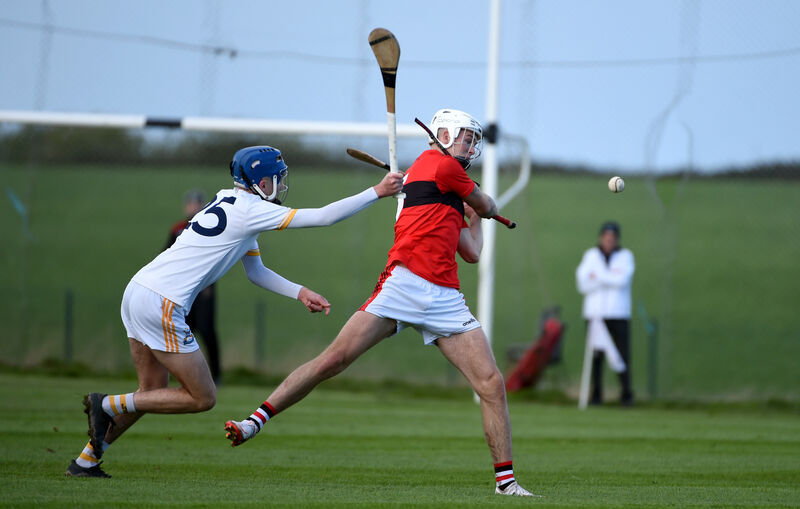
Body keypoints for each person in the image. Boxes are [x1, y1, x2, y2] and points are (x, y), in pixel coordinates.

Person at [224, 109, 536, 497]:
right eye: (466, 138)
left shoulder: (449, 192)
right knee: (332, 361)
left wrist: (469, 216)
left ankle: (506, 485)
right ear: (442, 134)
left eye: (475, 140)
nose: (472, 145)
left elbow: (471, 252)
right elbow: (487, 202)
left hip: (444, 297)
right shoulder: (438, 164)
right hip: (403, 285)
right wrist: (482, 208)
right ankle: (254, 421)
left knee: (491, 383)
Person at [65, 145, 404, 478]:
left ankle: (87, 460)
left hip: (138, 290)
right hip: (162, 303)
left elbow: (255, 272)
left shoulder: (229, 201)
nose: (280, 186)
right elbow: (324, 217)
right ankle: (108, 405)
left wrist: (299, 292)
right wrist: (377, 191)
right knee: (202, 397)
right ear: (259, 182)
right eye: (275, 179)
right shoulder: (251, 210)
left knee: (152, 391)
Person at [575, 221, 635, 406]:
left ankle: (626, 395)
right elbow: (582, 283)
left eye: (613, 237)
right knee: (596, 356)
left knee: (622, 355)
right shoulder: (590, 255)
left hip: (619, 313)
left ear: (617, 239)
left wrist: (597, 276)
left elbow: (622, 281)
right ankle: (596, 396)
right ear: (601, 237)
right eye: (607, 237)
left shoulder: (625, 256)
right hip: (595, 314)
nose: (609, 240)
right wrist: (610, 277)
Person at [165, 189, 222, 383]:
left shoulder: (209, 227)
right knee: (184, 331)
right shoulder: (178, 229)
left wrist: (208, 285)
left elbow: (215, 259)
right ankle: (184, 374)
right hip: (183, 292)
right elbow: (166, 257)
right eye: (191, 203)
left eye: (198, 203)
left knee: (207, 331)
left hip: (204, 290)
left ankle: (216, 375)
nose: (194, 207)